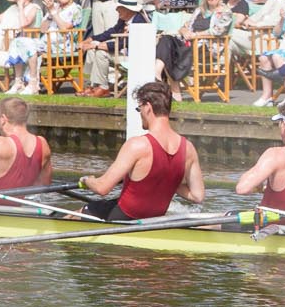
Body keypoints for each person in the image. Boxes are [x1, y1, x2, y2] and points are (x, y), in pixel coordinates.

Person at [79, 81, 205, 220]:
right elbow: (197, 196)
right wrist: (167, 181)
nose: (140, 114)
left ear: (148, 108)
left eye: (139, 109)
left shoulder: (137, 146)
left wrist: (87, 180)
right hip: (154, 218)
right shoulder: (188, 148)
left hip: (123, 218)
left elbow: (102, 188)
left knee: (76, 214)